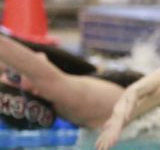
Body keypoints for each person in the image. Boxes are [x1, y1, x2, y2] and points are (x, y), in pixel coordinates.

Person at [0, 30, 142, 130]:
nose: (16, 69)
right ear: (36, 92)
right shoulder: (59, 89)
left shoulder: (61, 100)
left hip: (117, 89)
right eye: (15, 75)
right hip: (129, 89)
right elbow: (26, 59)